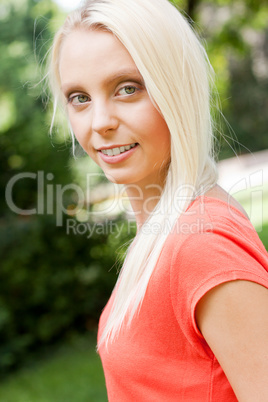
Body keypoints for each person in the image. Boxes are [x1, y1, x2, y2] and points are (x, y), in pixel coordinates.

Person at [48, 0, 268, 400]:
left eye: (127, 89)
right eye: (79, 98)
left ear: (176, 90)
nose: (99, 122)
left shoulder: (201, 245)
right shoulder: (165, 231)